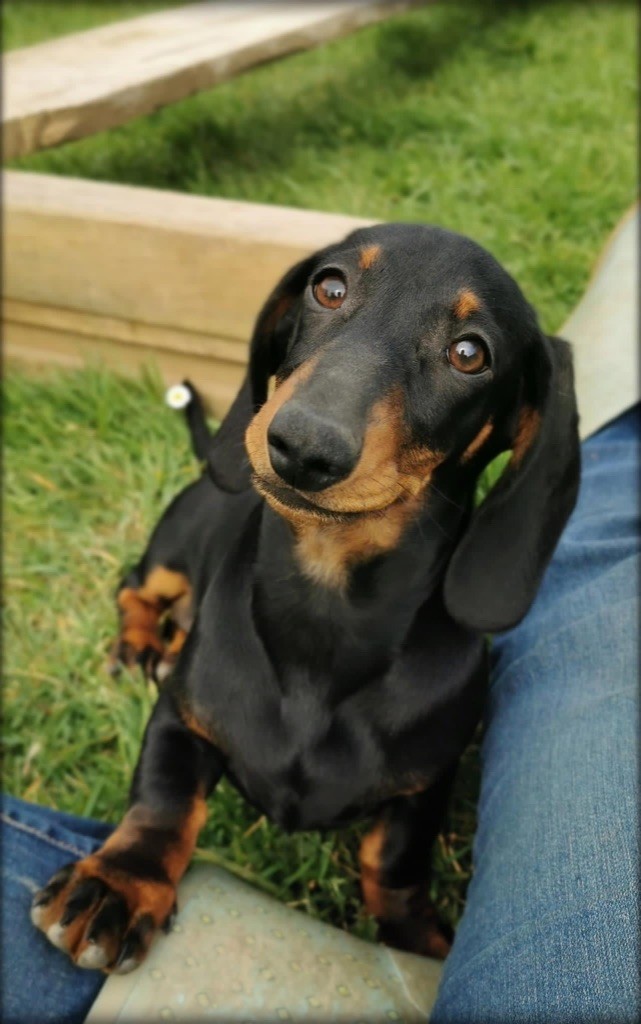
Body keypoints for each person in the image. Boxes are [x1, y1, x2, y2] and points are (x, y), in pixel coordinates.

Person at [3, 211, 638, 1024]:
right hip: (228, 567)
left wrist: (396, 896)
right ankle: (140, 603)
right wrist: (151, 838)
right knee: (184, 541)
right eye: (333, 292)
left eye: (464, 354)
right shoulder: (209, 657)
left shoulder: (445, 701)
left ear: (511, 432)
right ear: (283, 330)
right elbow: (181, 727)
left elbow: (419, 790)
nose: (309, 433)